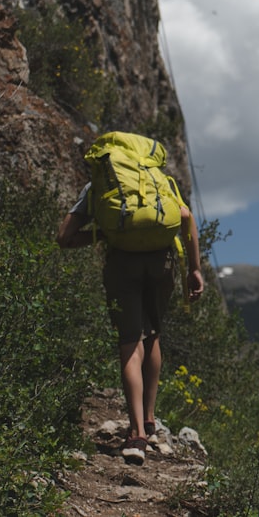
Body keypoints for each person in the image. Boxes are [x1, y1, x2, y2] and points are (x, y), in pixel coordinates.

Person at [56, 175, 205, 465]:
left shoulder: (99, 185)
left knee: (130, 342)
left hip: (123, 264)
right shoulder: (161, 180)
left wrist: (105, 234)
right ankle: (149, 419)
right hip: (162, 263)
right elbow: (186, 217)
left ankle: (136, 434)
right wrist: (195, 269)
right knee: (153, 335)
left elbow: (65, 237)